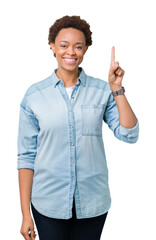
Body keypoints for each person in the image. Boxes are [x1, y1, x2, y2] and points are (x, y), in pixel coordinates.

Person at [17, 15, 139, 240]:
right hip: (48, 204)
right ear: (52, 46)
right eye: (63, 45)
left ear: (85, 50)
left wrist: (117, 89)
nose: (70, 52)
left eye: (78, 46)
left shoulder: (102, 90)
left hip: (92, 203)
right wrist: (26, 214)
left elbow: (129, 134)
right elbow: (26, 158)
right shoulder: (34, 96)